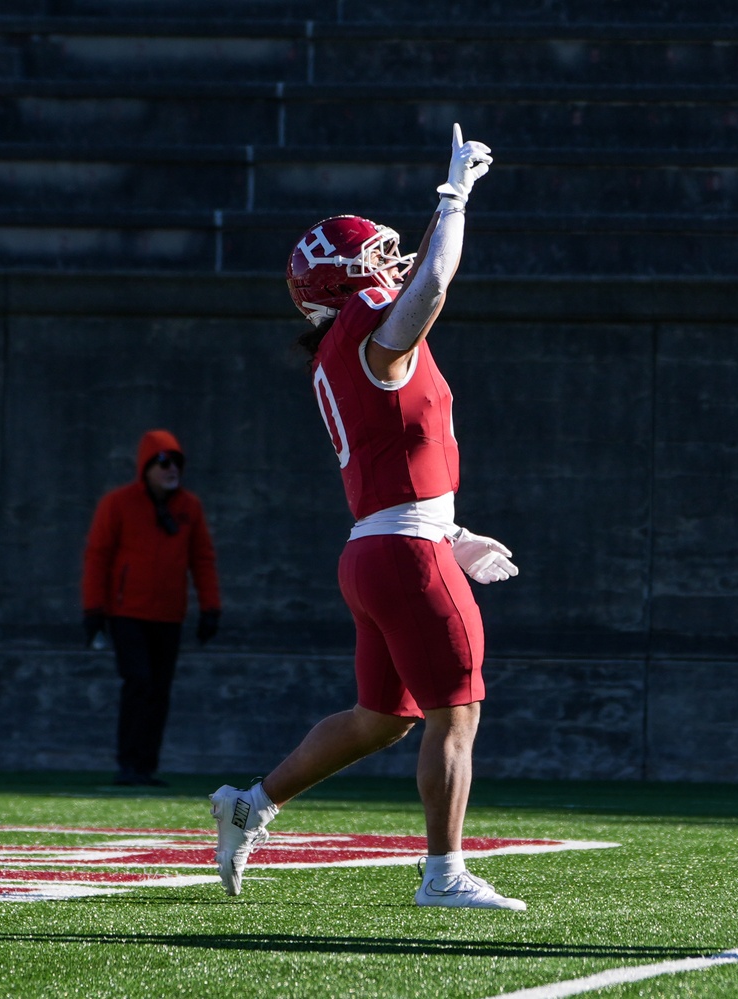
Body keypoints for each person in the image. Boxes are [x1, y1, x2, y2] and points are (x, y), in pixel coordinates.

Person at [211, 125, 526, 910]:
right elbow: (432, 285)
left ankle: (252, 802)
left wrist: (452, 529)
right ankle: (444, 872)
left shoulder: (343, 346)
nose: (393, 265)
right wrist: (452, 198)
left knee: (384, 716)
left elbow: (398, 450)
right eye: (377, 260)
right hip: (404, 551)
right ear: (347, 283)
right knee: (458, 710)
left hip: (382, 546)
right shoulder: (367, 336)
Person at [82, 429, 221, 786]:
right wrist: (93, 610)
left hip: (169, 615)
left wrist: (210, 608)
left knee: (159, 691)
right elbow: (98, 556)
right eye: (163, 462)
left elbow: (202, 558)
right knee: (138, 684)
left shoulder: (190, 507)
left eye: (176, 462)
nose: (170, 468)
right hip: (127, 612)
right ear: (146, 467)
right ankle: (128, 763)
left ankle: (146, 767)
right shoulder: (118, 503)